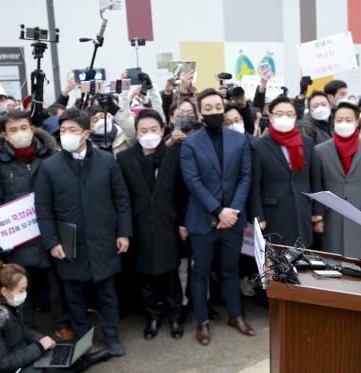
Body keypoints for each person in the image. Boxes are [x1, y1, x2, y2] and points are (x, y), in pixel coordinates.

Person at [34, 108, 132, 361]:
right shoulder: (49, 167)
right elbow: (43, 209)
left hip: (103, 238)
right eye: (63, 130)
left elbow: (121, 200)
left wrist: (124, 233)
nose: (66, 135)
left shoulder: (106, 161)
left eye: (73, 130)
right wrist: (52, 241)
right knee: (75, 296)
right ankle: (84, 339)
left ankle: (112, 336)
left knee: (107, 294)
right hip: (69, 242)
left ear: (86, 133)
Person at [0, 110, 74, 341]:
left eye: (24, 128)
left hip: (49, 233)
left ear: (32, 129)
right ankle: (27, 330)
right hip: (19, 239)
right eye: (13, 130)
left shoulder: (52, 156)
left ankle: (62, 324)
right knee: (21, 287)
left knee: (57, 283)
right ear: (4, 135)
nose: (19, 133)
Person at [180, 88, 254, 346]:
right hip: (202, 219)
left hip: (232, 219)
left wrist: (232, 210)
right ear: (200, 113)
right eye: (207, 108)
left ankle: (236, 315)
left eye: (217, 107)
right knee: (199, 272)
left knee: (230, 269)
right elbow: (192, 181)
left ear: (224, 109)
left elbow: (246, 176)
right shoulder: (190, 143)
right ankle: (202, 321)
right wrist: (218, 210)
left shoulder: (238, 139)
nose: (213, 112)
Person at [116, 109, 185, 340]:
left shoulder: (174, 155)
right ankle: (153, 317)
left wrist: (183, 222)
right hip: (140, 225)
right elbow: (122, 197)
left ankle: (176, 316)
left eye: (153, 129)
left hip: (168, 224)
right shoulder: (125, 159)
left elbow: (182, 192)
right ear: (135, 134)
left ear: (162, 130)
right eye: (143, 130)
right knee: (145, 277)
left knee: (170, 275)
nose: (148, 134)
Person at [311, 101, 361, 271]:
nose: (344, 123)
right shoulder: (320, 150)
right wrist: (318, 216)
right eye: (340, 119)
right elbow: (317, 185)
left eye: (348, 119)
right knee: (330, 266)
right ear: (334, 121)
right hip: (330, 218)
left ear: (357, 121)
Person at [0, 260, 57, 373]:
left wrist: (40, 339)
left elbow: (20, 328)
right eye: (21, 290)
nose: (25, 294)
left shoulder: (8, 301)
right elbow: (3, 363)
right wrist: (39, 347)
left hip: (17, 354)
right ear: (4, 291)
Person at [250, 96, 314, 248]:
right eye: (279, 114)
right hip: (273, 213)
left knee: (302, 262)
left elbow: (314, 178)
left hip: (301, 210)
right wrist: (258, 216)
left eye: (289, 114)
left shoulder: (307, 142)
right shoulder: (259, 146)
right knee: (277, 262)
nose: (284, 117)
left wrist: (316, 213)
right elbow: (255, 186)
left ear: (296, 117)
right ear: (271, 117)